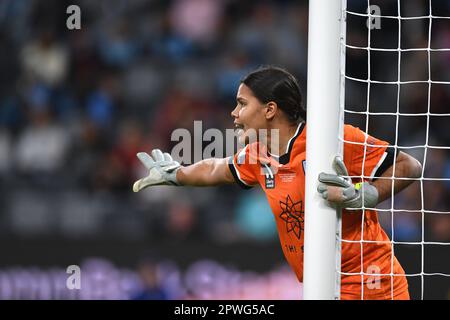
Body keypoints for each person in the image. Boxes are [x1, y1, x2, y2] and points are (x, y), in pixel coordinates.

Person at [132, 66, 422, 300]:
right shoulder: (259, 154)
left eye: (242, 104)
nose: (234, 114)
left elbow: (409, 165)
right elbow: (216, 168)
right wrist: (176, 174)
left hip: (372, 284)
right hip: (319, 285)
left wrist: (365, 193)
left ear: (270, 110)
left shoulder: (332, 140)